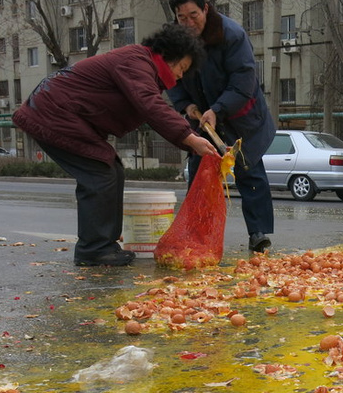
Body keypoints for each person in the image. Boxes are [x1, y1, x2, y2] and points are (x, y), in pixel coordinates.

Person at [12, 24, 216, 266]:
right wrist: (190, 138)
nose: (181, 76)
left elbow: (149, 105)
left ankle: (104, 246)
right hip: (52, 113)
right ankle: (93, 250)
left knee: (111, 169)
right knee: (99, 172)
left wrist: (187, 137)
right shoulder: (136, 61)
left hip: (61, 114)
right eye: (182, 68)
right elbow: (149, 104)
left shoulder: (143, 66)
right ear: (169, 54)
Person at [167, 0, 276, 254]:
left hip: (241, 114)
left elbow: (244, 81)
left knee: (250, 172)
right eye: (182, 18)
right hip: (201, 117)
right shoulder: (173, 40)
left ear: (205, 8)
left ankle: (258, 234)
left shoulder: (231, 35)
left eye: (194, 15)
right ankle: (196, 233)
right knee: (200, 173)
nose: (189, 23)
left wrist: (218, 109)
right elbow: (169, 77)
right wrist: (186, 105)